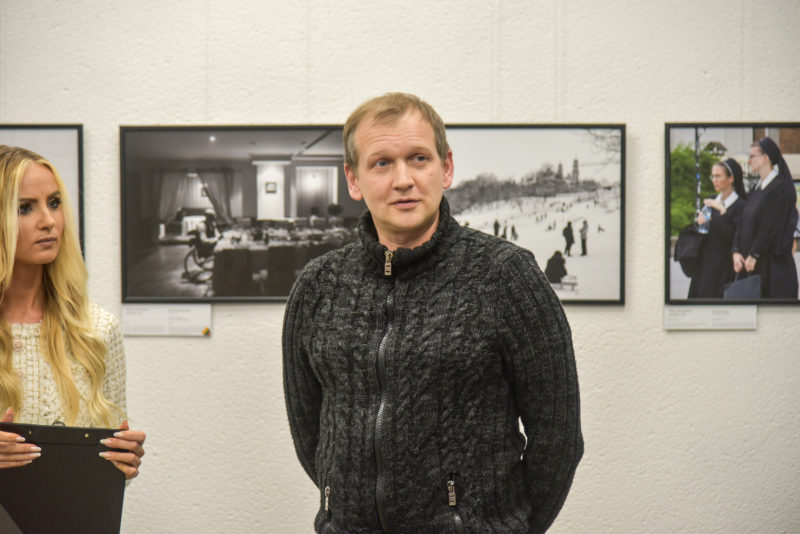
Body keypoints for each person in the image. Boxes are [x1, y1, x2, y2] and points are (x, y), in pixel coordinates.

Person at [283, 93, 582, 534]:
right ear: (353, 179)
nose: (403, 179)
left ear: (446, 168)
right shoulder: (318, 285)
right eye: (381, 163)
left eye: (418, 158)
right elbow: (310, 431)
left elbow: (558, 437)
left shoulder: (505, 276)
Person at [0, 145, 145, 479]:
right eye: (25, 208)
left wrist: (123, 463)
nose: (49, 221)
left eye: (54, 203)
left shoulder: (97, 328)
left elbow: (109, 471)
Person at [733, 137, 799, 298]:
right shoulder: (757, 188)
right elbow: (743, 222)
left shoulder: (779, 187)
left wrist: (754, 254)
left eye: (752, 156)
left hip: (772, 268)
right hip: (753, 265)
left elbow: (770, 226)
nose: (748, 160)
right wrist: (736, 251)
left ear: (765, 158)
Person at [688, 158, 747, 298]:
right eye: (713, 176)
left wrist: (721, 210)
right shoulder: (710, 201)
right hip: (705, 266)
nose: (714, 180)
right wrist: (699, 223)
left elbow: (734, 236)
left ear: (731, 178)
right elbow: (702, 233)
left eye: (718, 176)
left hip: (726, 267)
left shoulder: (741, 206)